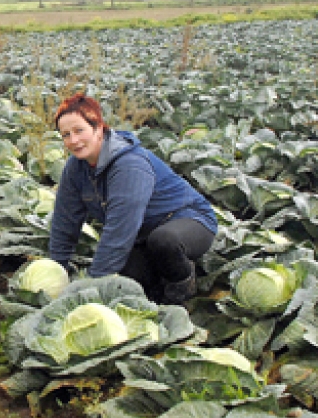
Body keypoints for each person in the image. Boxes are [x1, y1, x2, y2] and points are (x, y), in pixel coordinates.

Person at [48, 93, 217, 304]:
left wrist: (93, 287)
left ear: (98, 128)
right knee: (133, 278)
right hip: (142, 235)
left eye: (79, 130)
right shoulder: (75, 169)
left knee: (164, 241)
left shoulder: (129, 165)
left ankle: (183, 279)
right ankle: (159, 287)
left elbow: (119, 230)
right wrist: (55, 270)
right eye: (66, 135)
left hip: (189, 220)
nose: (73, 140)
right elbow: (65, 223)